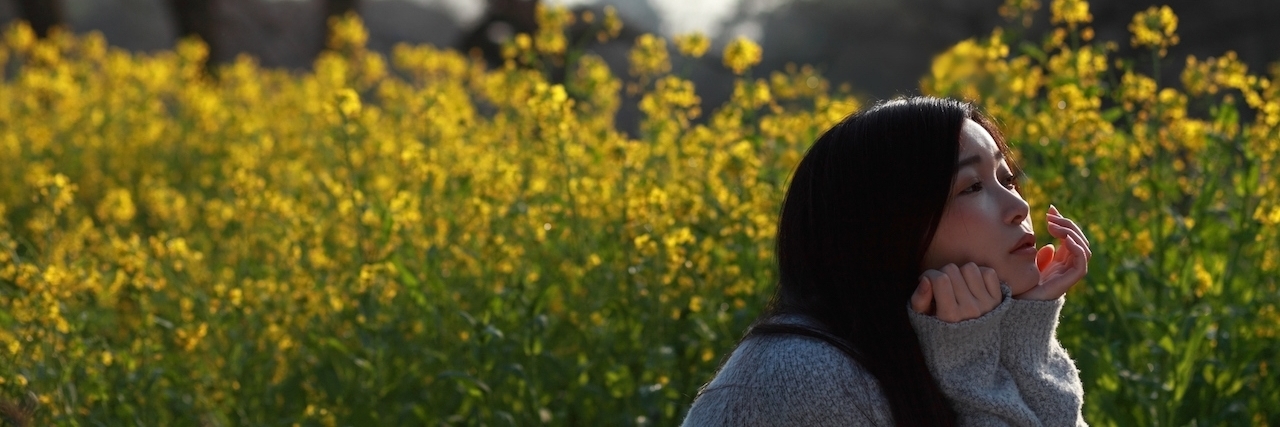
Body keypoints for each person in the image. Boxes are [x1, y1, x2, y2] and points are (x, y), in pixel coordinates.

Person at [680, 96, 1091, 426]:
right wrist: (969, 363)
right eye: (973, 187)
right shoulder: (807, 373)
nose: (1018, 206)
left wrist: (1026, 329)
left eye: (1008, 179)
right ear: (890, 222)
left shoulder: (931, 338)